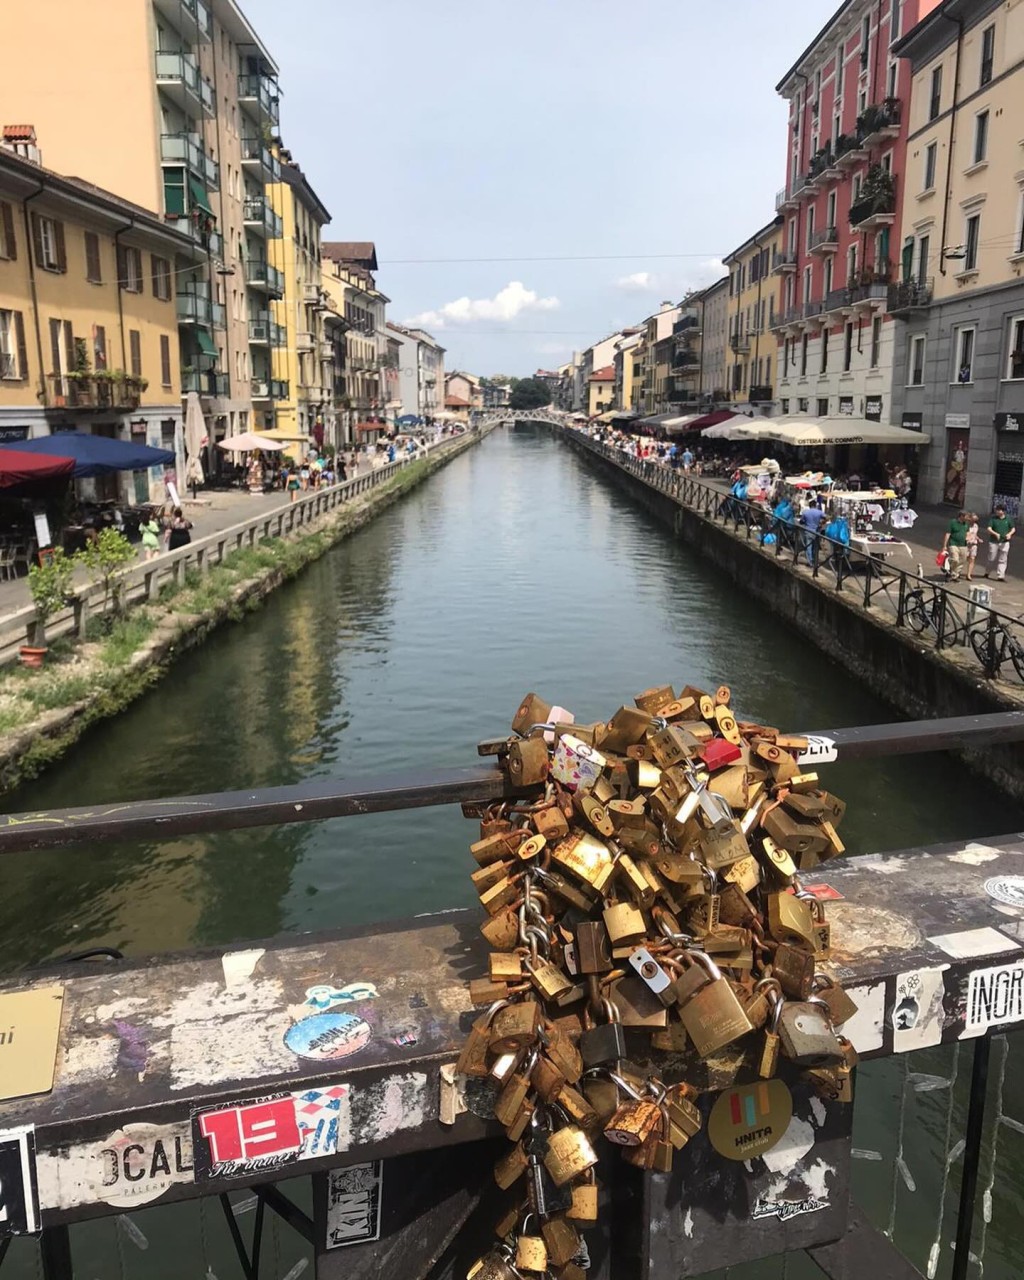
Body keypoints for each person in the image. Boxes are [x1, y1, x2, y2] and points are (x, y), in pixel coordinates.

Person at [984, 504, 1016, 580]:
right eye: (997, 510)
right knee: (991, 558)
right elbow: (989, 528)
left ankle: (1000, 575)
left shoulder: (1008, 519)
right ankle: (987, 572)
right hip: (994, 541)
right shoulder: (993, 519)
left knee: (1003, 559)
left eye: (999, 510)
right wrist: (995, 534)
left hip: (1005, 542)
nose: (997, 511)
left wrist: (1009, 534)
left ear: (1003, 511)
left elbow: (1013, 529)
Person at [942, 509, 969, 581]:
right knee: (955, 559)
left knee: (962, 560)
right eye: (966, 516)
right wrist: (944, 545)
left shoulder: (966, 524)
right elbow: (948, 534)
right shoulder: (953, 522)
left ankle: (954, 575)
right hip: (953, 543)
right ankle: (947, 567)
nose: (967, 518)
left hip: (963, 545)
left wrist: (968, 538)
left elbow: (967, 533)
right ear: (961, 516)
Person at [799, 500, 825, 566]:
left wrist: (805, 522)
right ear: (815, 505)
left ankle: (810, 562)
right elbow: (826, 517)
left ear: (809, 506)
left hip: (808, 531)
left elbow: (801, 521)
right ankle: (815, 561)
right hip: (816, 532)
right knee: (815, 547)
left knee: (808, 547)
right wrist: (821, 523)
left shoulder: (805, 512)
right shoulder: (819, 512)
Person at [965, 512, 980, 581]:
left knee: (972, 559)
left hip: (974, 544)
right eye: (973, 520)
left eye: (975, 520)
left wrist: (978, 538)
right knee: (963, 558)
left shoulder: (976, 526)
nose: (974, 522)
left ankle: (969, 575)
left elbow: (975, 534)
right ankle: (957, 572)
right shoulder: (965, 525)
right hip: (966, 544)